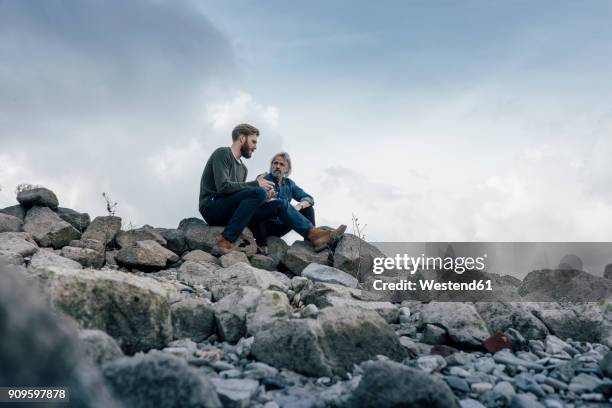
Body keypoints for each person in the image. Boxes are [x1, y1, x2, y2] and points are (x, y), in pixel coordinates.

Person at [198, 124, 346, 255]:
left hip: (231, 212)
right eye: (253, 141)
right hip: (212, 207)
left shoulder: (243, 168)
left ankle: (315, 236)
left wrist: (265, 198)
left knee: (279, 204)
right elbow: (223, 188)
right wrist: (257, 185)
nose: (255, 147)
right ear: (242, 139)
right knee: (259, 192)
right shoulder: (223, 153)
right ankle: (226, 240)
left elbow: (239, 196)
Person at [253, 152, 317, 249]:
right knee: (263, 206)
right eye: (275, 163)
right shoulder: (264, 179)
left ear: (287, 169)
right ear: (271, 166)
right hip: (264, 226)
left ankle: (312, 240)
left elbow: (309, 198)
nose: (277, 166)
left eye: (281, 164)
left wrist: (298, 206)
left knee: (308, 209)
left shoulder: (289, 184)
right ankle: (262, 245)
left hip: (281, 224)